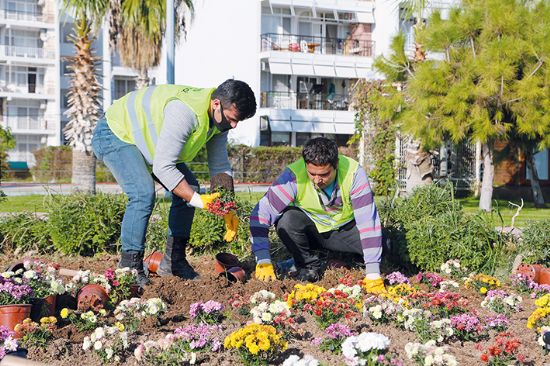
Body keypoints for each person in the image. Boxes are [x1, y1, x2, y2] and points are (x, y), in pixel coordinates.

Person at [91, 80, 257, 287]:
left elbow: (220, 165)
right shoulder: (185, 113)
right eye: (232, 119)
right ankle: (130, 267)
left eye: (238, 121)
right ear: (216, 103)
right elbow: (163, 167)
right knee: (143, 193)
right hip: (115, 133)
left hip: (145, 143)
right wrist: (198, 201)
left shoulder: (218, 121)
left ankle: (173, 262)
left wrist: (226, 205)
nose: (233, 125)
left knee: (190, 187)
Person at [250, 137, 385, 294]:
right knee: (287, 220)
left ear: (336, 165)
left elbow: (368, 222)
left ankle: (346, 260)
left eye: (324, 174)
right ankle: (308, 265)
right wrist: (263, 258)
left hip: (344, 231)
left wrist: (373, 273)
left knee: (385, 244)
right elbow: (260, 214)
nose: (317, 180)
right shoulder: (293, 176)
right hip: (313, 231)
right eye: (311, 173)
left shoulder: (354, 174)